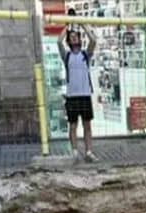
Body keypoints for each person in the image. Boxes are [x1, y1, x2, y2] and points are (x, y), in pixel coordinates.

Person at [60, 25, 98, 163]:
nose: (74, 37)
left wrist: (82, 24)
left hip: (85, 95)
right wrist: (68, 25)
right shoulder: (67, 56)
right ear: (69, 40)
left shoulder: (85, 55)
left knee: (87, 125)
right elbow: (59, 41)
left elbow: (93, 41)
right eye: (71, 36)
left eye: (76, 35)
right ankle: (75, 152)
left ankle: (88, 152)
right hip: (72, 96)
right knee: (73, 125)